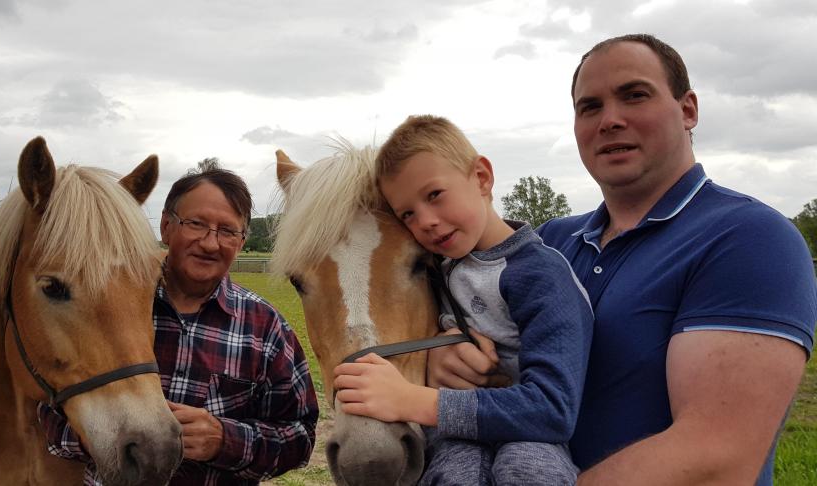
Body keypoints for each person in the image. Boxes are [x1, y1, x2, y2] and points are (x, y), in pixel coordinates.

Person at [428, 34, 817, 486]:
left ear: (688, 109)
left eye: (634, 95)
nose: (610, 120)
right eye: (589, 107)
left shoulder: (748, 239)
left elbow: (716, 457)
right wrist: (446, 354)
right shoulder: (547, 242)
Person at [332, 115, 594, 485]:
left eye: (434, 195)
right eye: (408, 213)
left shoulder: (541, 275)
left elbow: (553, 410)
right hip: (458, 432)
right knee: (455, 472)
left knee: (527, 468)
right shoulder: (440, 268)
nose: (426, 221)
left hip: (531, 432)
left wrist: (415, 401)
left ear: (482, 178)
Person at [39, 161, 319, 485]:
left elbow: (299, 437)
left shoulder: (266, 328)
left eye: (227, 231)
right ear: (166, 226)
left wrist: (223, 440)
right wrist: (111, 442)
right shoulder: (106, 310)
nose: (211, 242)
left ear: (241, 242)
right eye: (196, 223)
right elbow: (49, 412)